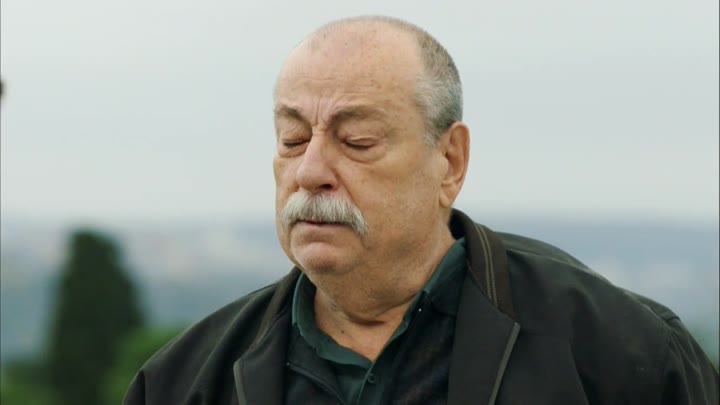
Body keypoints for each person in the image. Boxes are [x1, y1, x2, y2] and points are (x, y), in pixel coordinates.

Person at [124, 16, 718, 404]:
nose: (310, 171)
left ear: (450, 162)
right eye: (293, 138)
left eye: (357, 141)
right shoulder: (180, 383)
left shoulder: (623, 356)